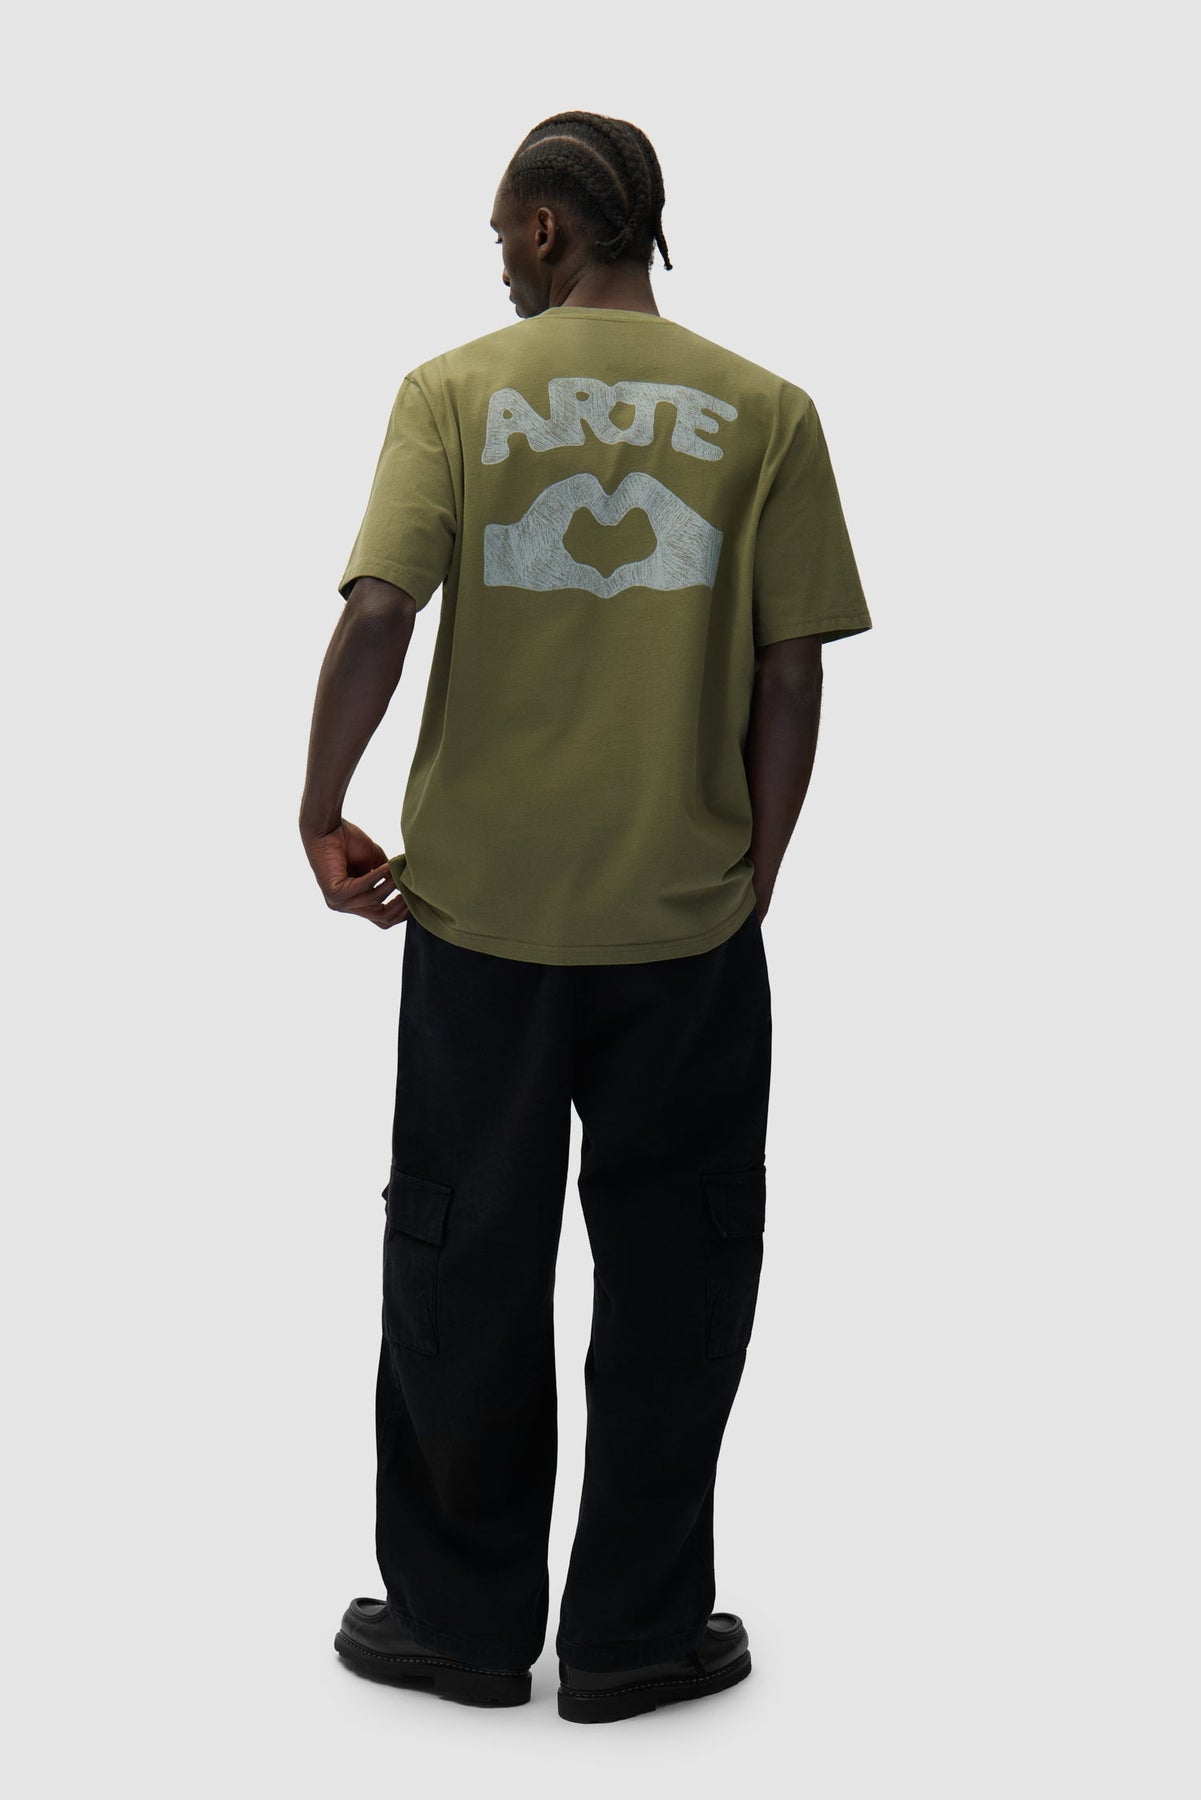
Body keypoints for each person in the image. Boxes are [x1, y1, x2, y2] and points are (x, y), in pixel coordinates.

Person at [299, 108, 873, 1724]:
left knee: (460, 1258)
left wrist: (319, 806)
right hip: (681, 928)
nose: (497, 254)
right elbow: (790, 672)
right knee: (680, 1275)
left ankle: (460, 1625)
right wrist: (751, 875)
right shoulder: (766, 409)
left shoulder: (454, 393)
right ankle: (633, 1634)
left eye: (503, 229)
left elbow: (377, 615)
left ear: (548, 228)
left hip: (481, 918)